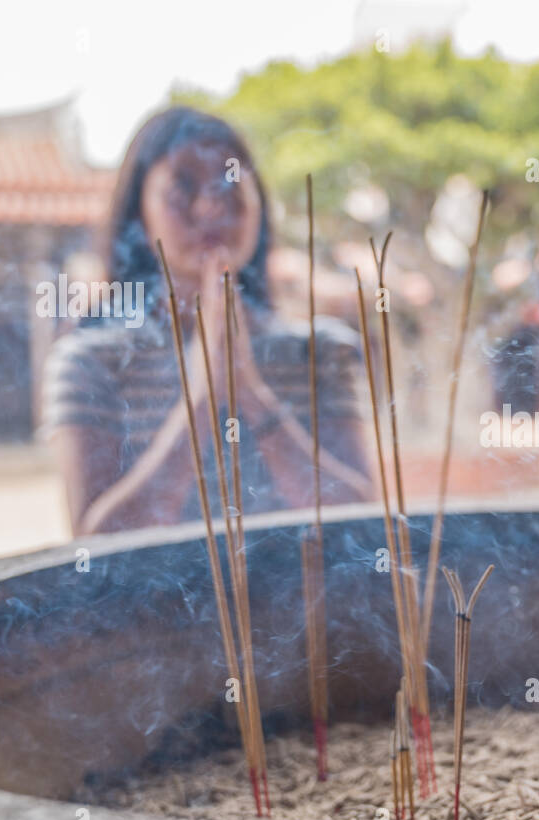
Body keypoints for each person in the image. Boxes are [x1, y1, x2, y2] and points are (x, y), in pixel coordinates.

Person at [43, 107, 369, 534]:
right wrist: (202, 400)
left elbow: (362, 522)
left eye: (232, 181)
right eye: (183, 186)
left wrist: (250, 395)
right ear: (140, 216)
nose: (212, 204)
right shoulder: (90, 362)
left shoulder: (321, 352)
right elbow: (96, 542)